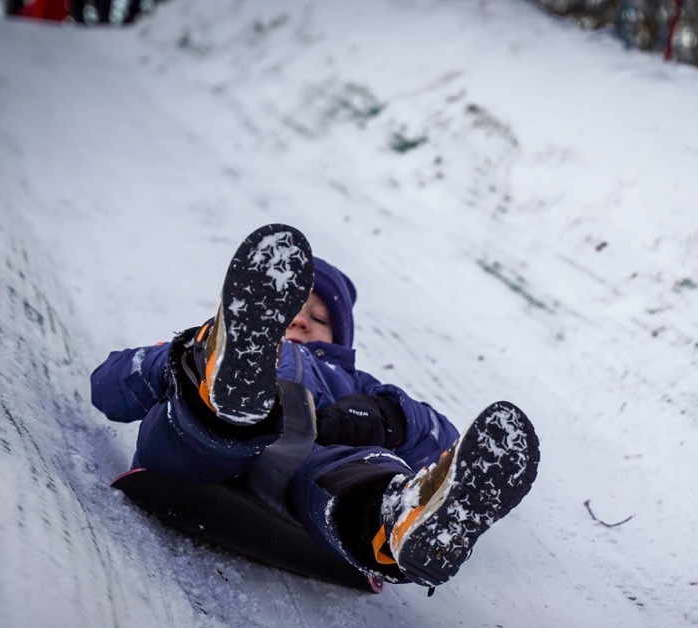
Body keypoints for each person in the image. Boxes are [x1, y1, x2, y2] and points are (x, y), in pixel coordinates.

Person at [90, 223, 540, 588]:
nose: (301, 319)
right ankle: (222, 395)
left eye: (320, 318)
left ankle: (392, 523)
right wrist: (175, 362)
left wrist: (387, 417)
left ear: (339, 340)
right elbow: (107, 387)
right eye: (288, 309)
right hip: (202, 449)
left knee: (363, 464)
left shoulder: (352, 383)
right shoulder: (206, 346)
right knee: (201, 408)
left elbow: (442, 439)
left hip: (309, 480)